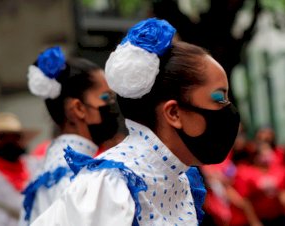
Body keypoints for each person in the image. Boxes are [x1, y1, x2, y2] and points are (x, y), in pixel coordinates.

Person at [31, 17, 240, 226]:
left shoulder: (178, 177)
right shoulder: (111, 185)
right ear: (174, 112)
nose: (227, 108)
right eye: (219, 98)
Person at [19, 46, 120, 225]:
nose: (112, 105)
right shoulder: (73, 176)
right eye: (106, 98)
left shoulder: (53, 168)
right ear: (78, 109)